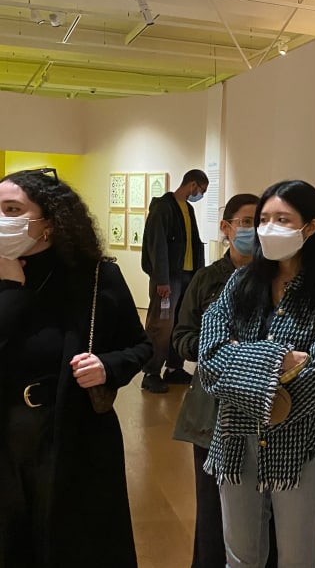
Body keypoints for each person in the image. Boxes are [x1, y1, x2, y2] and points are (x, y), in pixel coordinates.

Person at [0, 168, 152, 567]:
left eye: (12, 209)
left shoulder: (96, 277)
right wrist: (11, 290)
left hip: (74, 433)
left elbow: (140, 345)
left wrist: (107, 366)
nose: (2, 219)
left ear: (49, 222)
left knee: (72, 542)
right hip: (8, 436)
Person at [198, 180, 315, 568]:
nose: (268, 228)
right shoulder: (240, 282)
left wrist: (241, 362)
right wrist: (278, 358)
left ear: (310, 227)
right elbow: (210, 359)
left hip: (301, 446)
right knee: (240, 558)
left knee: (297, 559)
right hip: (235, 441)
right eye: (263, 219)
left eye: (282, 219)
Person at [172, 193, 280, 568]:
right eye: (246, 222)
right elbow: (181, 337)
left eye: (261, 222)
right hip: (211, 412)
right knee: (213, 509)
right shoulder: (206, 280)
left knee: (267, 507)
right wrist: (216, 348)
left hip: (266, 409)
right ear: (226, 227)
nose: (254, 230)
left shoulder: (278, 278)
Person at [140, 168, 209, 393]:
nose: (200, 195)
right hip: (168, 279)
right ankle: (151, 372)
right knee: (161, 326)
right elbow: (157, 244)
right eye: (201, 190)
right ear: (193, 185)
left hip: (186, 277)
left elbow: (194, 243)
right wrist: (162, 280)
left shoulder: (188, 208)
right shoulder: (162, 207)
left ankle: (173, 368)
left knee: (180, 324)